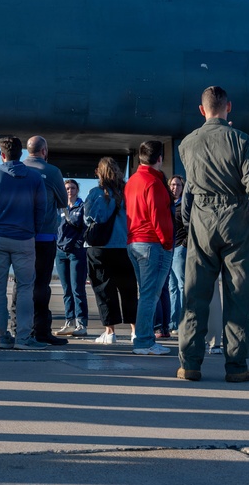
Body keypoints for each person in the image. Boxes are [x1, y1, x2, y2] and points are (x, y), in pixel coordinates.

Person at [176, 86, 249, 384]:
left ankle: (190, 364)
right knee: (240, 292)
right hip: (236, 217)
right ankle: (236, 366)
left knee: (195, 293)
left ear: (202, 110)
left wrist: (189, 225)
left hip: (202, 219)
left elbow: (190, 191)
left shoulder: (187, 143)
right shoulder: (242, 141)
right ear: (228, 107)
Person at [0, 136, 47, 350]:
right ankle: (23, 337)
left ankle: (2, 335)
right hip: (24, 239)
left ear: (2, 155)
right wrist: (33, 230)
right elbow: (41, 209)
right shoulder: (34, 178)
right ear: (21, 153)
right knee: (25, 288)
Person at [125, 140, 174, 355]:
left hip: (134, 242)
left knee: (145, 293)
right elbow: (159, 217)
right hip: (152, 243)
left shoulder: (133, 181)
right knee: (150, 294)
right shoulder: (153, 183)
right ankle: (144, 341)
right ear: (160, 159)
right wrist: (168, 244)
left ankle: (142, 338)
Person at [84, 157, 138, 344]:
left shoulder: (95, 193)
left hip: (100, 248)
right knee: (129, 289)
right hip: (124, 246)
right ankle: (134, 331)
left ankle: (110, 332)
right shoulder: (127, 193)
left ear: (99, 172)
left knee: (104, 290)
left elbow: (90, 218)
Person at [22, 136, 68, 346]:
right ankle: (41, 331)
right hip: (44, 236)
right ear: (44, 151)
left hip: (20, 236)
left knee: (21, 285)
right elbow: (63, 201)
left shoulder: (18, 168)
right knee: (41, 285)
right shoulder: (52, 172)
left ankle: (19, 330)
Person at [54, 179, 88, 337]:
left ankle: (81, 323)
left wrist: (79, 243)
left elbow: (86, 227)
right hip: (60, 252)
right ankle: (69, 321)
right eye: (67, 188)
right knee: (66, 290)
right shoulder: (59, 207)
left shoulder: (82, 207)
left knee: (77, 289)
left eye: (73, 188)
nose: (70, 191)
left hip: (76, 252)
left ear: (77, 190)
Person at [167, 175, 187, 334]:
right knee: (172, 287)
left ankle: (183, 323)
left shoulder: (185, 205)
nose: (175, 188)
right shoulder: (167, 204)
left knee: (181, 285)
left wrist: (184, 243)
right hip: (168, 248)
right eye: (173, 185)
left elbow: (191, 225)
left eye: (178, 185)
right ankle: (173, 323)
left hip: (180, 248)